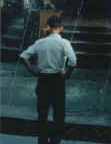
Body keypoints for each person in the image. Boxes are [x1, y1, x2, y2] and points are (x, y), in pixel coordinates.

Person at [20, 15, 77, 144]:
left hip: (43, 79)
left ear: (48, 27)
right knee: (59, 111)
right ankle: (56, 138)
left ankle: (42, 136)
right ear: (61, 28)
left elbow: (23, 57)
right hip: (57, 79)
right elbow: (73, 61)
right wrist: (67, 74)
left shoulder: (40, 42)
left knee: (42, 110)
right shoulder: (64, 42)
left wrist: (32, 71)